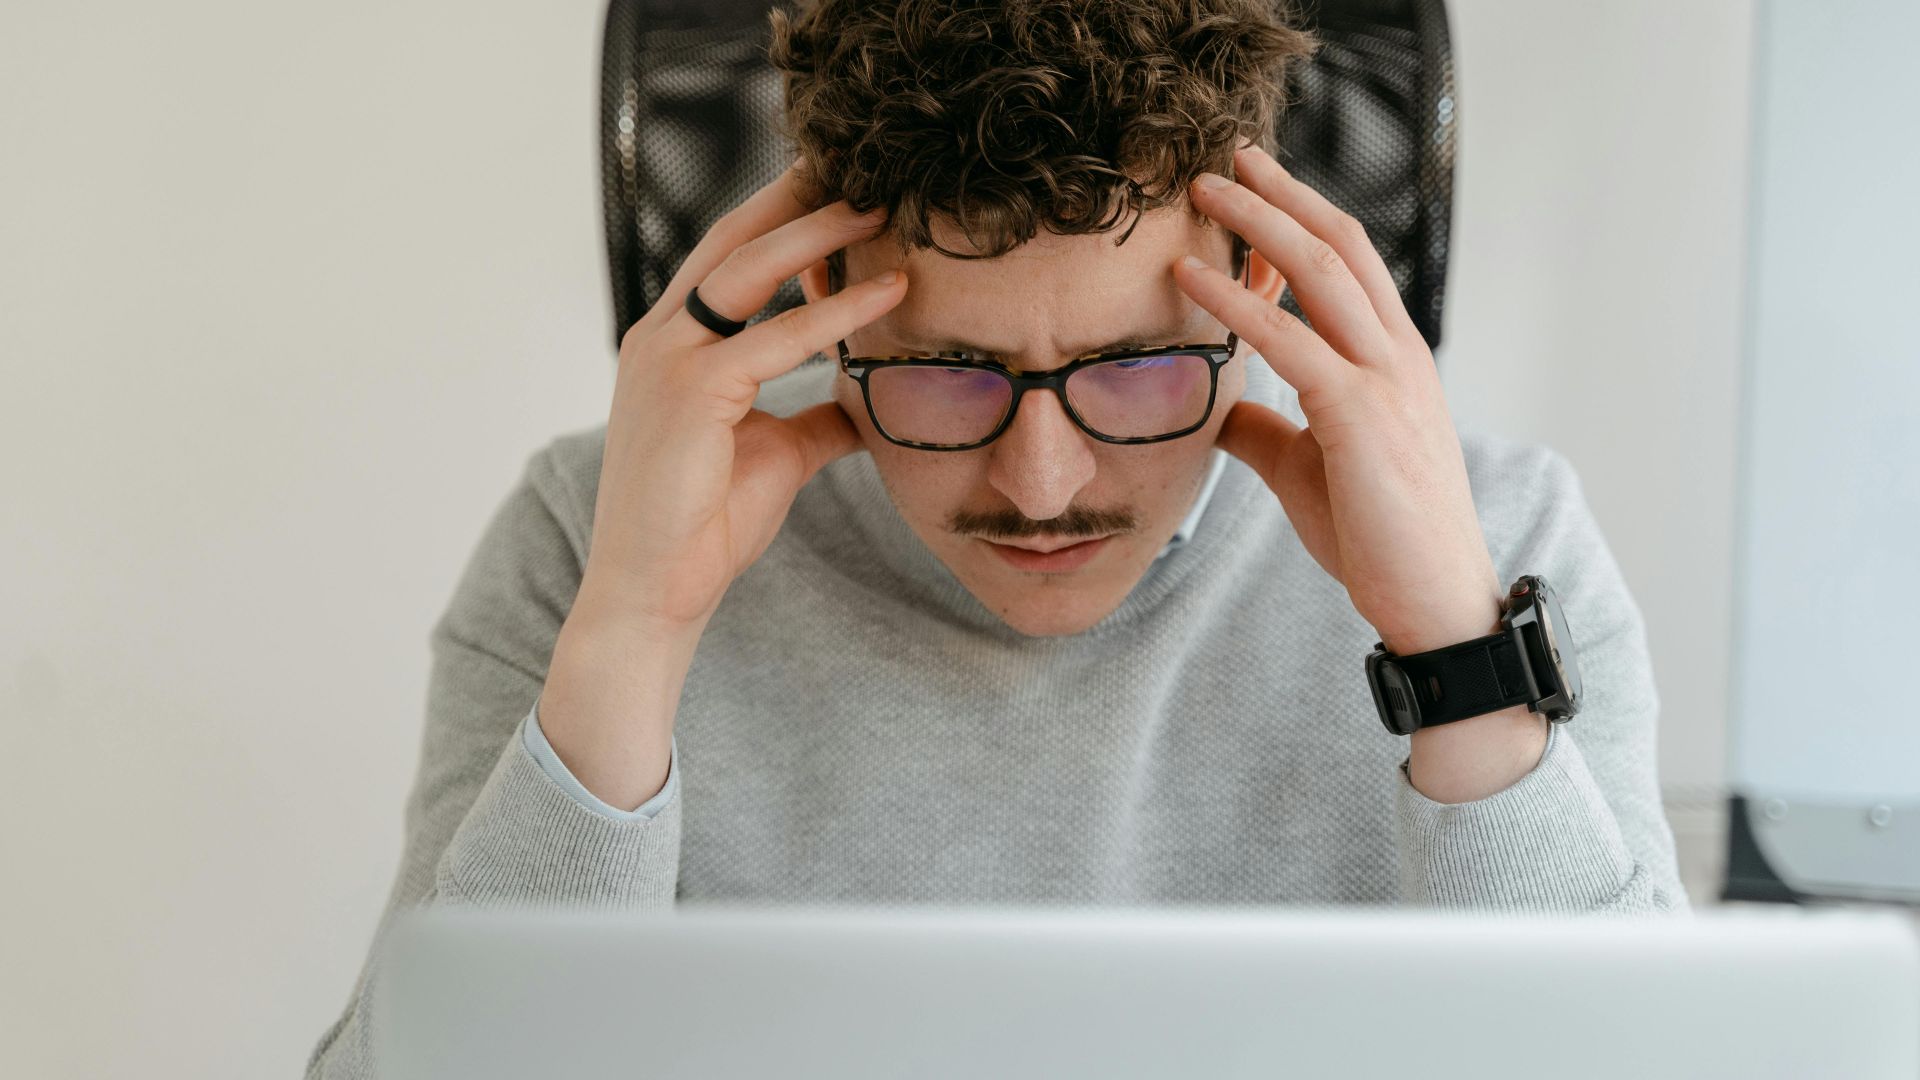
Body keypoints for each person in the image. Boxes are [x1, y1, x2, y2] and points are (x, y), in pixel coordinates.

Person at [308, 0, 1687, 1073]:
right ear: (823, 289)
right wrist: (634, 633)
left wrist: (1451, 652)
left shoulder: (1499, 538)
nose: (1039, 484)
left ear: (1259, 283)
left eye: (1138, 368)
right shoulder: (587, 537)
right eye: (948, 372)